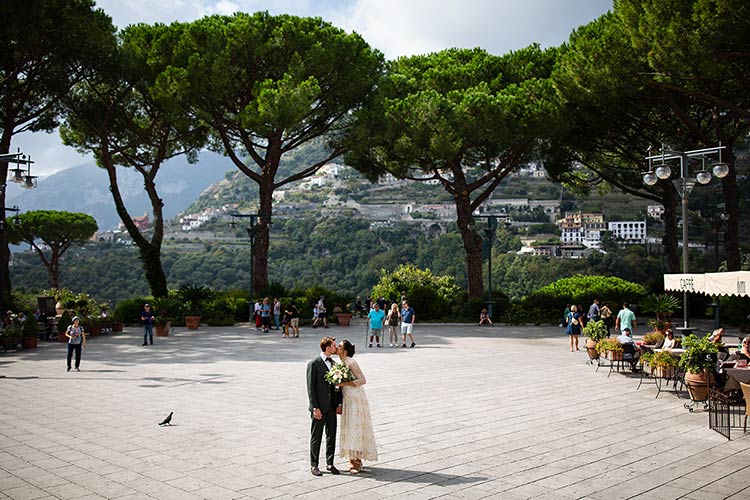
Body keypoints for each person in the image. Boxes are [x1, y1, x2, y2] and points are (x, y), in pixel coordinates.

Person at [336, 339, 378, 474]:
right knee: (349, 427)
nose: (337, 347)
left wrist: (344, 383)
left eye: (340, 346)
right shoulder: (340, 363)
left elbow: (362, 380)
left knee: (356, 426)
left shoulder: (351, 362)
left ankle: (357, 461)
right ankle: (351, 457)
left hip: (355, 398)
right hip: (347, 399)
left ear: (346, 350)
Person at [306, 336, 342, 477]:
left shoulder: (334, 363)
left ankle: (330, 463)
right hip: (319, 408)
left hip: (332, 407)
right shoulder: (313, 364)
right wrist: (315, 407)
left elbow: (338, 386)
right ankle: (314, 465)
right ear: (327, 348)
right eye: (334, 346)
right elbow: (311, 388)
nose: (336, 348)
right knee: (316, 436)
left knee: (331, 435)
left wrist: (339, 403)